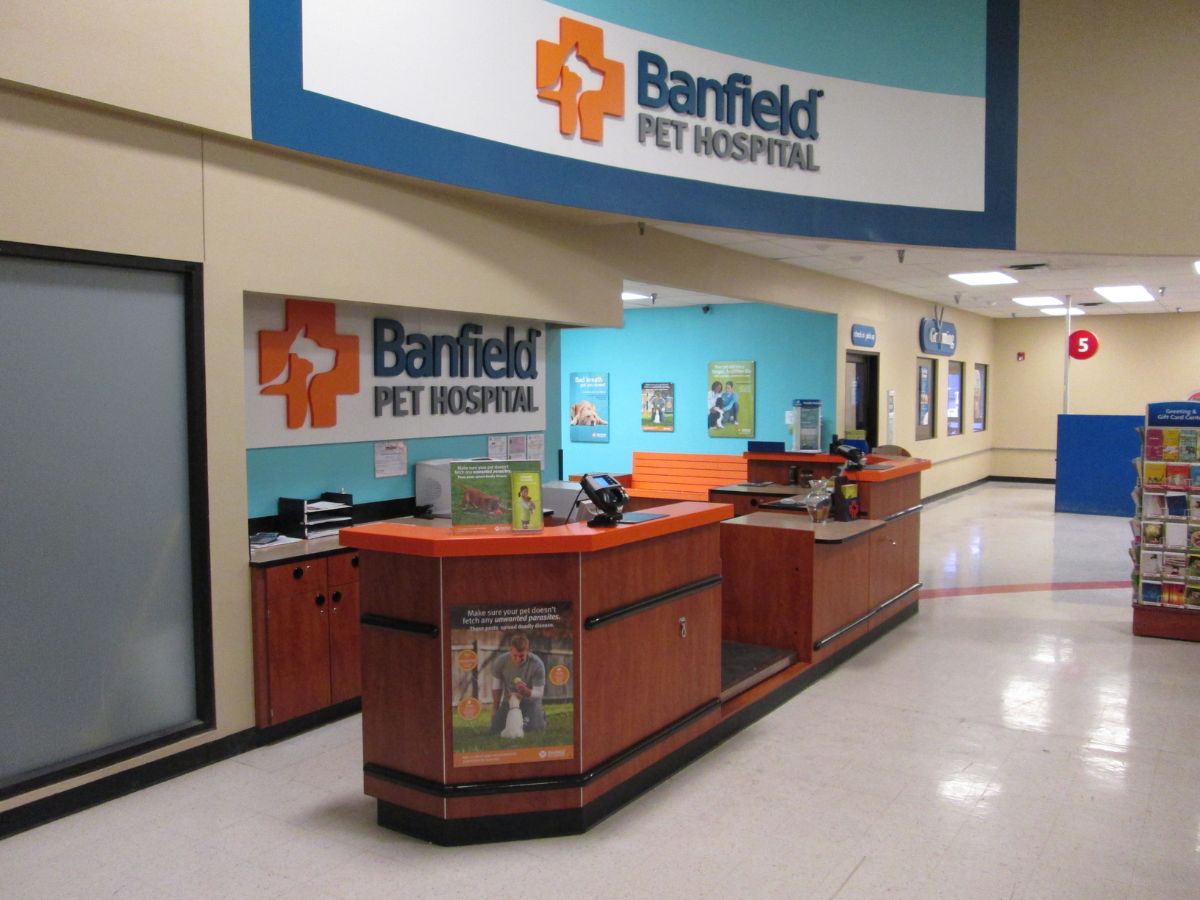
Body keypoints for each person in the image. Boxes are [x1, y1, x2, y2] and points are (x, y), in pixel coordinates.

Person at [489, 633, 547, 733]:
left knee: (532, 729)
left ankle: (540, 716)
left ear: (527, 651)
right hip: (510, 702)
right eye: (515, 655)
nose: (518, 659)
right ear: (510, 650)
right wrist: (495, 710)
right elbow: (496, 686)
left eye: (521, 656)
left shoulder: (537, 664)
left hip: (530, 702)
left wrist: (527, 692)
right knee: (496, 729)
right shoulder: (501, 661)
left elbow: (539, 692)